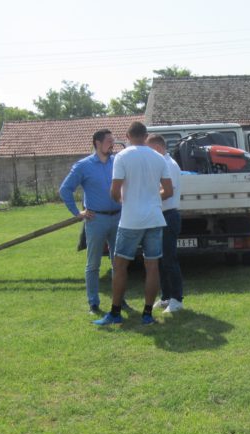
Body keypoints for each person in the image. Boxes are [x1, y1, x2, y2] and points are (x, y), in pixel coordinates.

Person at [94, 122, 173, 326]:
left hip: (131, 220)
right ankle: (147, 314)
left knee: (120, 265)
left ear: (128, 136)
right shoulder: (158, 157)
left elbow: (114, 191)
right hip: (154, 218)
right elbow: (168, 191)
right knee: (152, 266)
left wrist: (123, 200)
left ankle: (115, 312)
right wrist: (151, 198)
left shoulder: (122, 156)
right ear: (146, 136)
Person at [59, 129, 122, 315]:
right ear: (97, 143)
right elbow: (65, 189)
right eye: (109, 141)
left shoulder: (117, 162)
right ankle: (93, 303)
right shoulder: (83, 166)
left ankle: (119, 300)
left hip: (118, 217)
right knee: (93, 264)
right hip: (96, 220)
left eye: (113, 141)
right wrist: (77, 213)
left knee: (119, 263)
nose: (112, 144)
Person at [146, 134, 185, 314]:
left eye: (149, 150)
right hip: (161, 215)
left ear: (157, 148)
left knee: (169, 259)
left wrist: (148, 199)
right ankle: (166, 296)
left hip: (168, 215)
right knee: (161, 259)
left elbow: (168, 191)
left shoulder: (168, 164)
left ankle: (177, 299)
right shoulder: (163, 163)